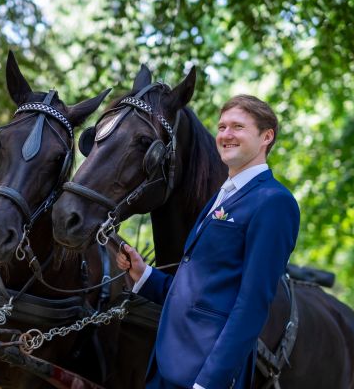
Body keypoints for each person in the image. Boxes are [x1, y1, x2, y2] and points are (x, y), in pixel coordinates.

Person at [117, 95, 300, 389]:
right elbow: (202, 291)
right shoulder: (222, 196)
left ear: (266, 137)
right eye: (222, 127)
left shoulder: (274, 202)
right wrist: (145, 275)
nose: (226, 134)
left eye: (238, 127)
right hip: (165, 366)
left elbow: (252, 305)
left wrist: (210, 382)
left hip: (203, 375)